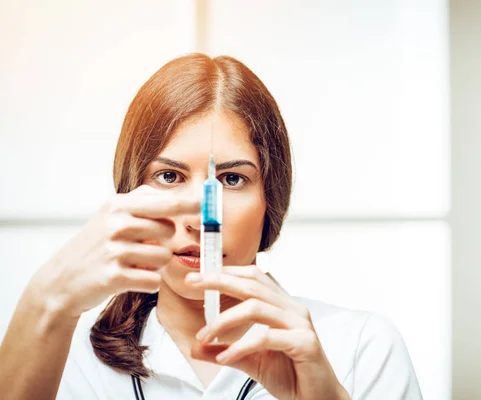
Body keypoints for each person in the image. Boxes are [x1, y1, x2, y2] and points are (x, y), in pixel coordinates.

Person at [0, 53, 422, 400]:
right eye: (169, 177)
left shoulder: (362, 348)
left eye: (232, 179)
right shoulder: (65, 359)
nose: (203, 217)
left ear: (271, 199)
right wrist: (45, 299)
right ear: (129, 192)